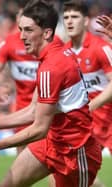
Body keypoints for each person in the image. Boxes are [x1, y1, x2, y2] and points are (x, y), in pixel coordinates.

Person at [0, 1, 102, 186]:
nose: (22, 36)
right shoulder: (52, 54)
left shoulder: (52, 67)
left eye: (28, 30)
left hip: (75, 152)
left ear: (47, 33)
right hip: (51, 142)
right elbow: (32, 111)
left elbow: (39, 128)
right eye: (20, 29)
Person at [62, 1, 112, 187]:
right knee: (69, 177)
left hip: (109, 120)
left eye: (74, 17)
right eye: (66, 17)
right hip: (86, 126)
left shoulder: (100, 47)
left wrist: (90, 106)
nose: (69, 21)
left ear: (85, 21)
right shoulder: (63, 52)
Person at [0, 1, 39, 154]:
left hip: (46, 110)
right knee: (22, 165)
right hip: (22, 112)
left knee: (57, 169)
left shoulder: (49, 42)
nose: (22, 19)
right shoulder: (10, 43)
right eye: (20, 15)